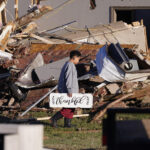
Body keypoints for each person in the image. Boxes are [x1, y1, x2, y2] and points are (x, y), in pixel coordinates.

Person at [50, 50, 81, 128]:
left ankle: (67, 124)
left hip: (68, 90)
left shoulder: (67, 64)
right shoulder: (70, 65)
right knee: (68, 108)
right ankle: (54, 118)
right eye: (78, 59)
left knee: (71, 107)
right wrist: (69, 90)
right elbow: (69, 79)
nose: (78, 61)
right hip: (68, 90)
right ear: (74, 57)